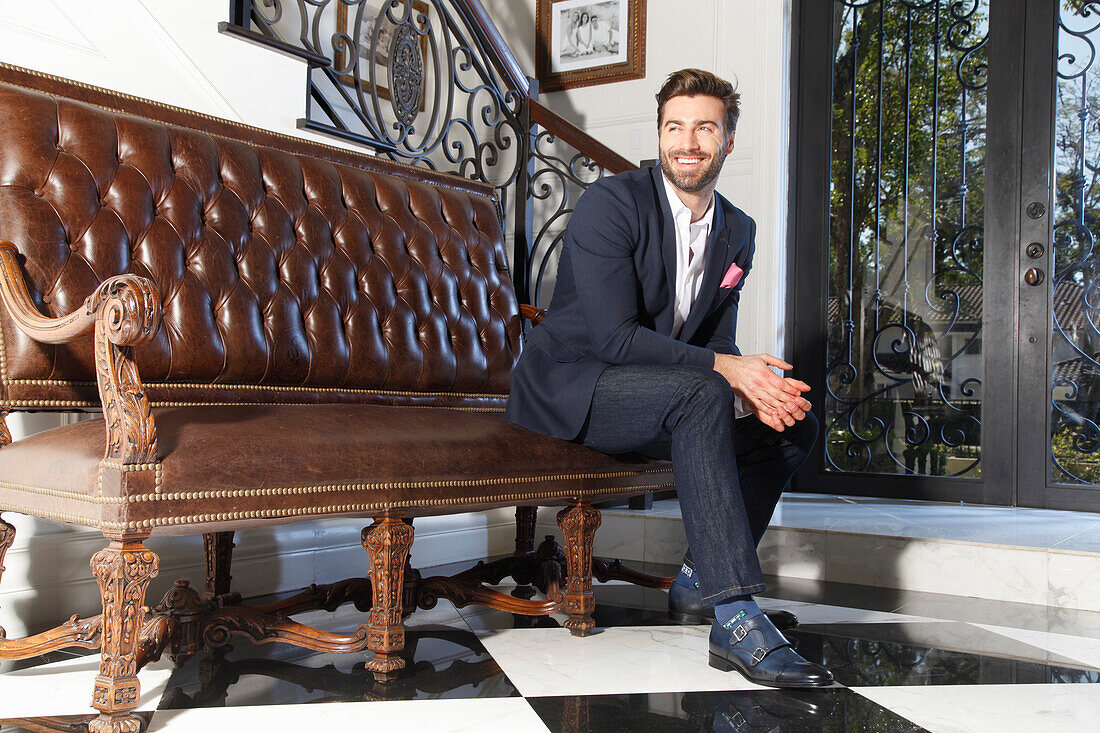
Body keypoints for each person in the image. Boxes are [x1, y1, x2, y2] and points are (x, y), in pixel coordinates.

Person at [505, 68, 833, 689]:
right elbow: (612, 338)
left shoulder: (738, 231)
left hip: (660, 393)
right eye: (674, 127)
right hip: (573, 387)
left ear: (727, 141)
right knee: (706, 387)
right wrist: (724, 372)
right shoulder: (612, 204)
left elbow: (714, 339)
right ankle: (735, 617)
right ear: (659, 135)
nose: (688, 142)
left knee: (790, 424)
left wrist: (750, 384)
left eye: (705, 127)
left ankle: (696, 583)